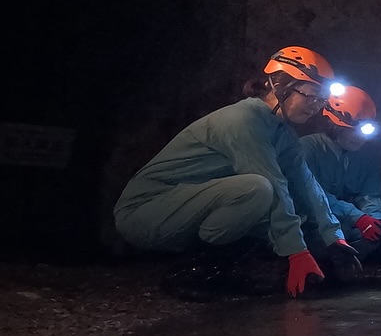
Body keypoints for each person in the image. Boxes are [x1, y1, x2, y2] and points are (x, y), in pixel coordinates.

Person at [114, 46, 362, 299]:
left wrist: (335, 238)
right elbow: (273, 183)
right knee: (258, 189)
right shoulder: (243, 120)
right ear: (279, 86)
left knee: (290, 204)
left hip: (186, 205)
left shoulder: (282, 133)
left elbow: (306, 184)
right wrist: (297, 253)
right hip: (145, 211)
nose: (315, 106)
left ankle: (225, 270)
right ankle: (196, 272)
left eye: (320, 100)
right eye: (309, 95)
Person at [300, 83, 381, 267]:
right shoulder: (308, 148)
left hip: (347, 222)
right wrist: (357, 217)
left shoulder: (366, 155)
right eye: (350, 129)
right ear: (333, 124)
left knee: (369, 234)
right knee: (327, 232)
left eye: (363, 130)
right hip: (314, 221)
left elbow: (371, 194)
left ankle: (343, 268)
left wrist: (376, 219)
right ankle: (322, 268)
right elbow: (314, 197)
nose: (359, 137)